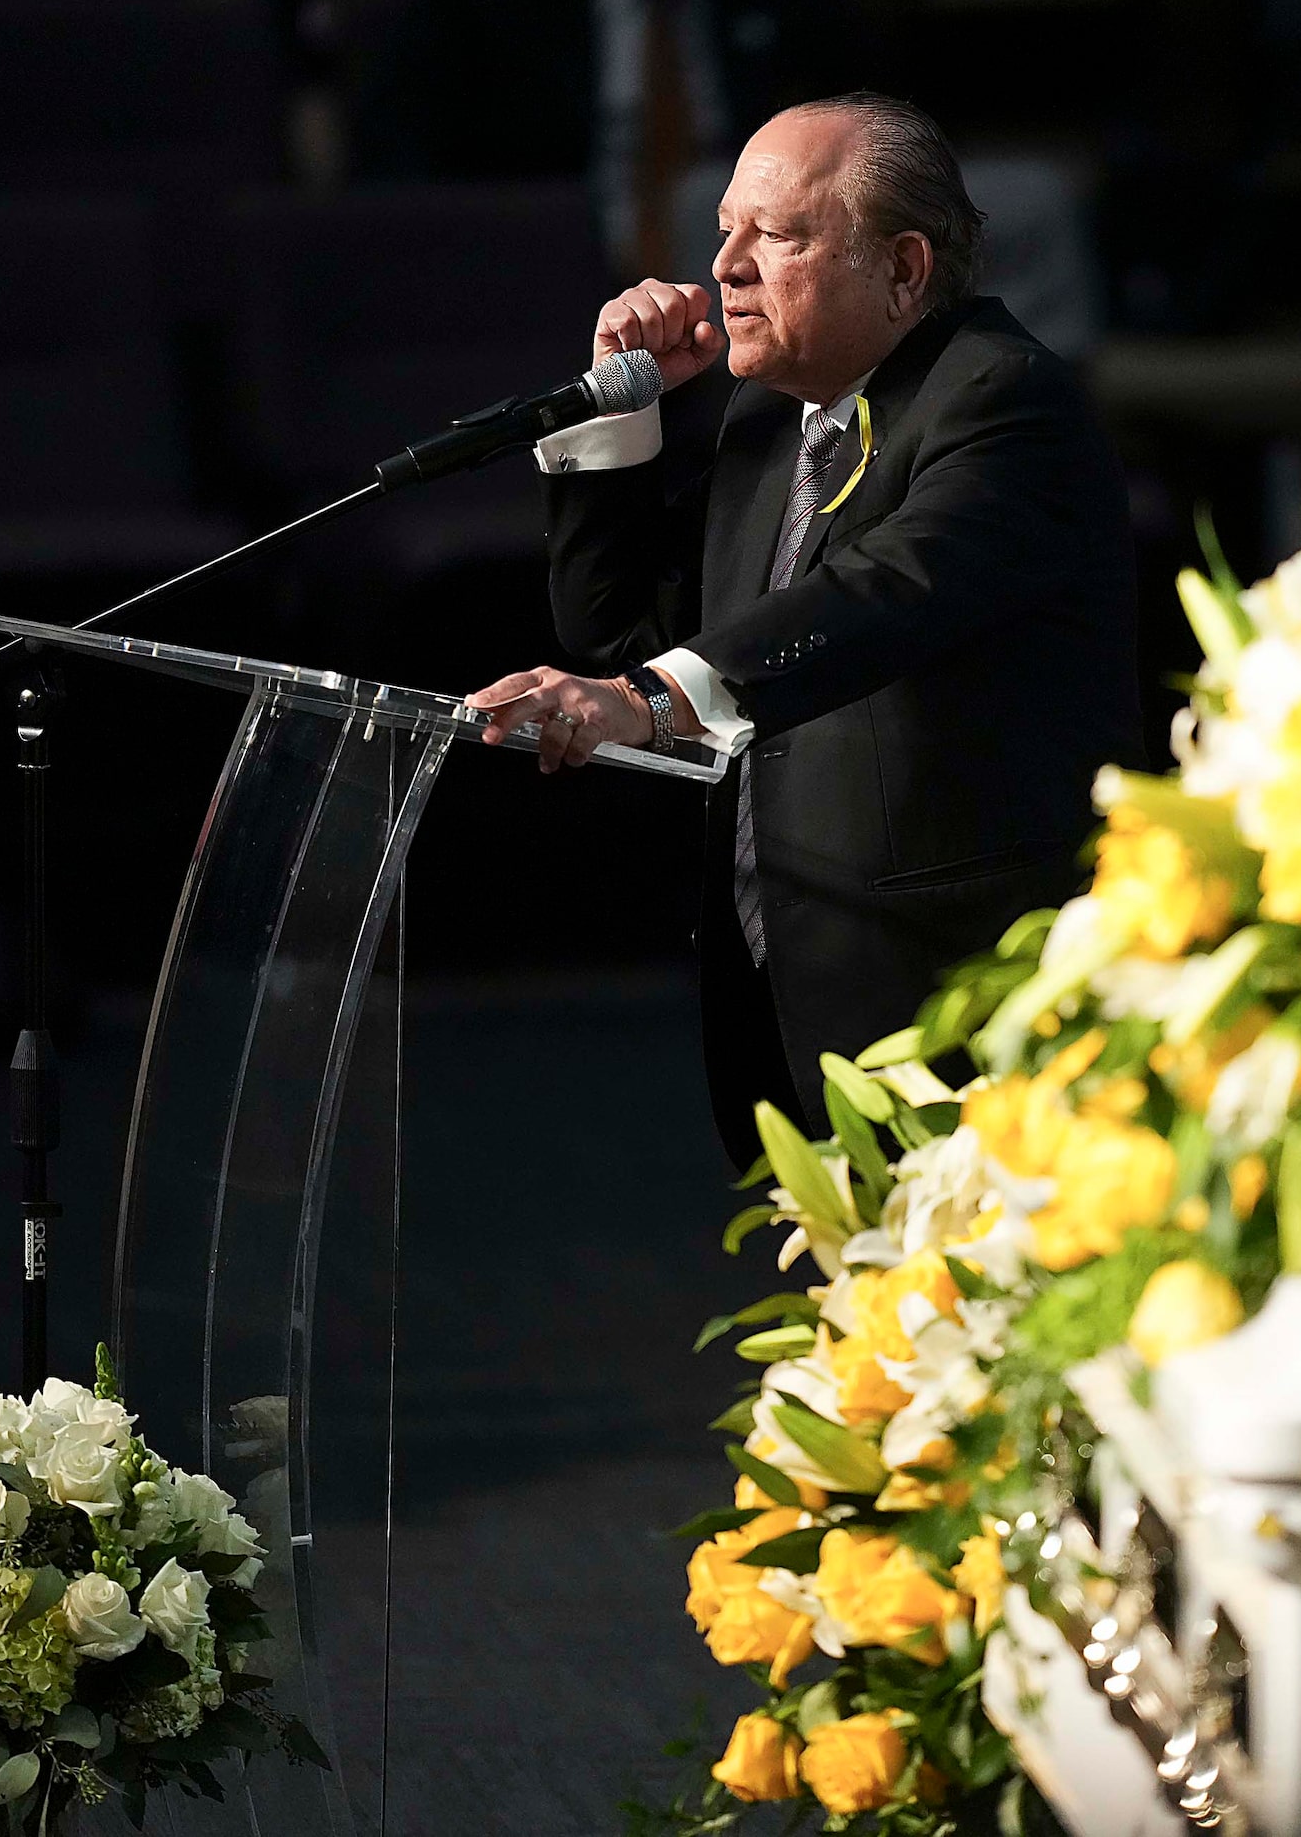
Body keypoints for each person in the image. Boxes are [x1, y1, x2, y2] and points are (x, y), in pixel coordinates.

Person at [467, 91, 1138, 1165]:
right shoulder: (777, 415)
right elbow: (619, 634)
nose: (723, 265)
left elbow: (880, 594)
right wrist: (619, 411)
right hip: (789, 990)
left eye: (772, 236)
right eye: (724, 229)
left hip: (957, 1007)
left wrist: (642, 704)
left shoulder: (1007, 403)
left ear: (905, 269)